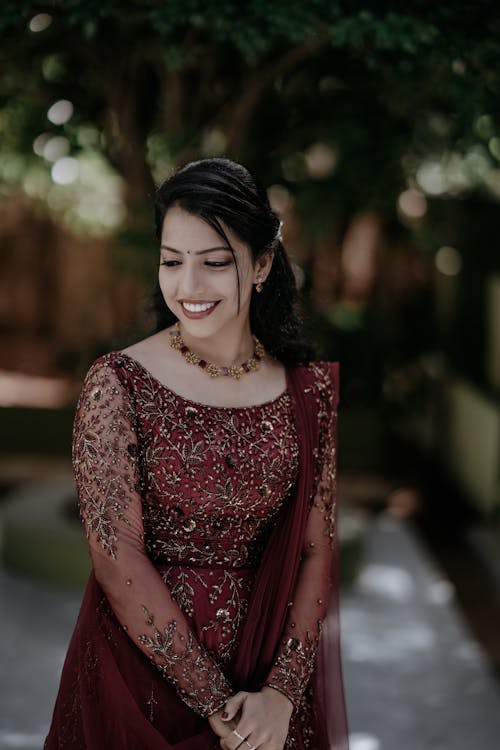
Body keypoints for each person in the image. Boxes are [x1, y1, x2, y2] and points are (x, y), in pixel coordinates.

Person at [45, 158, 349, 750]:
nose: (188, 287)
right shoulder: (118, 383)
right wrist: (214, 702)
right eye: (171, 261)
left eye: (213, 263)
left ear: (261, 265)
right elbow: (116, 557)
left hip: (268, 675)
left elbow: (318, 549)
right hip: (139, 677)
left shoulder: (308, 393)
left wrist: (282, 696)